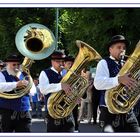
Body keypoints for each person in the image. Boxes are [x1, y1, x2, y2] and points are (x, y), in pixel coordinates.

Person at [94, 35, 140, 132]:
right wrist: (118, 80)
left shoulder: (127, 64)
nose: (122, 50)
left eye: (124, 48)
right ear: (110, 49)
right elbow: (98, 84)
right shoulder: (104, 62)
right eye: (119, 47)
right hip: (109, 113)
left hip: (128, 112)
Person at [39, 51, 75, 132]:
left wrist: (75, 96)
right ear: (52, 62)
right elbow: (43, 89)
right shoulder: (45, 73)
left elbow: (72, 89)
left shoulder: (67, 73)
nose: (61, 64)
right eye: (58, 61)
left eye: (62, 61)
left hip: (68, 113)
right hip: (53, 113)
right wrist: (60, 86)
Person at [0, 54, 35, 132]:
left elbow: (33, 90)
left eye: (18, 65)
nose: (16, 67)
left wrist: (29, 90)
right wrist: (16, 84)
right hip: (7, 112)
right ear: (7, 64)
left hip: (24, 112)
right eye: (14, 65)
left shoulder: (25, 75)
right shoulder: (2, 74)